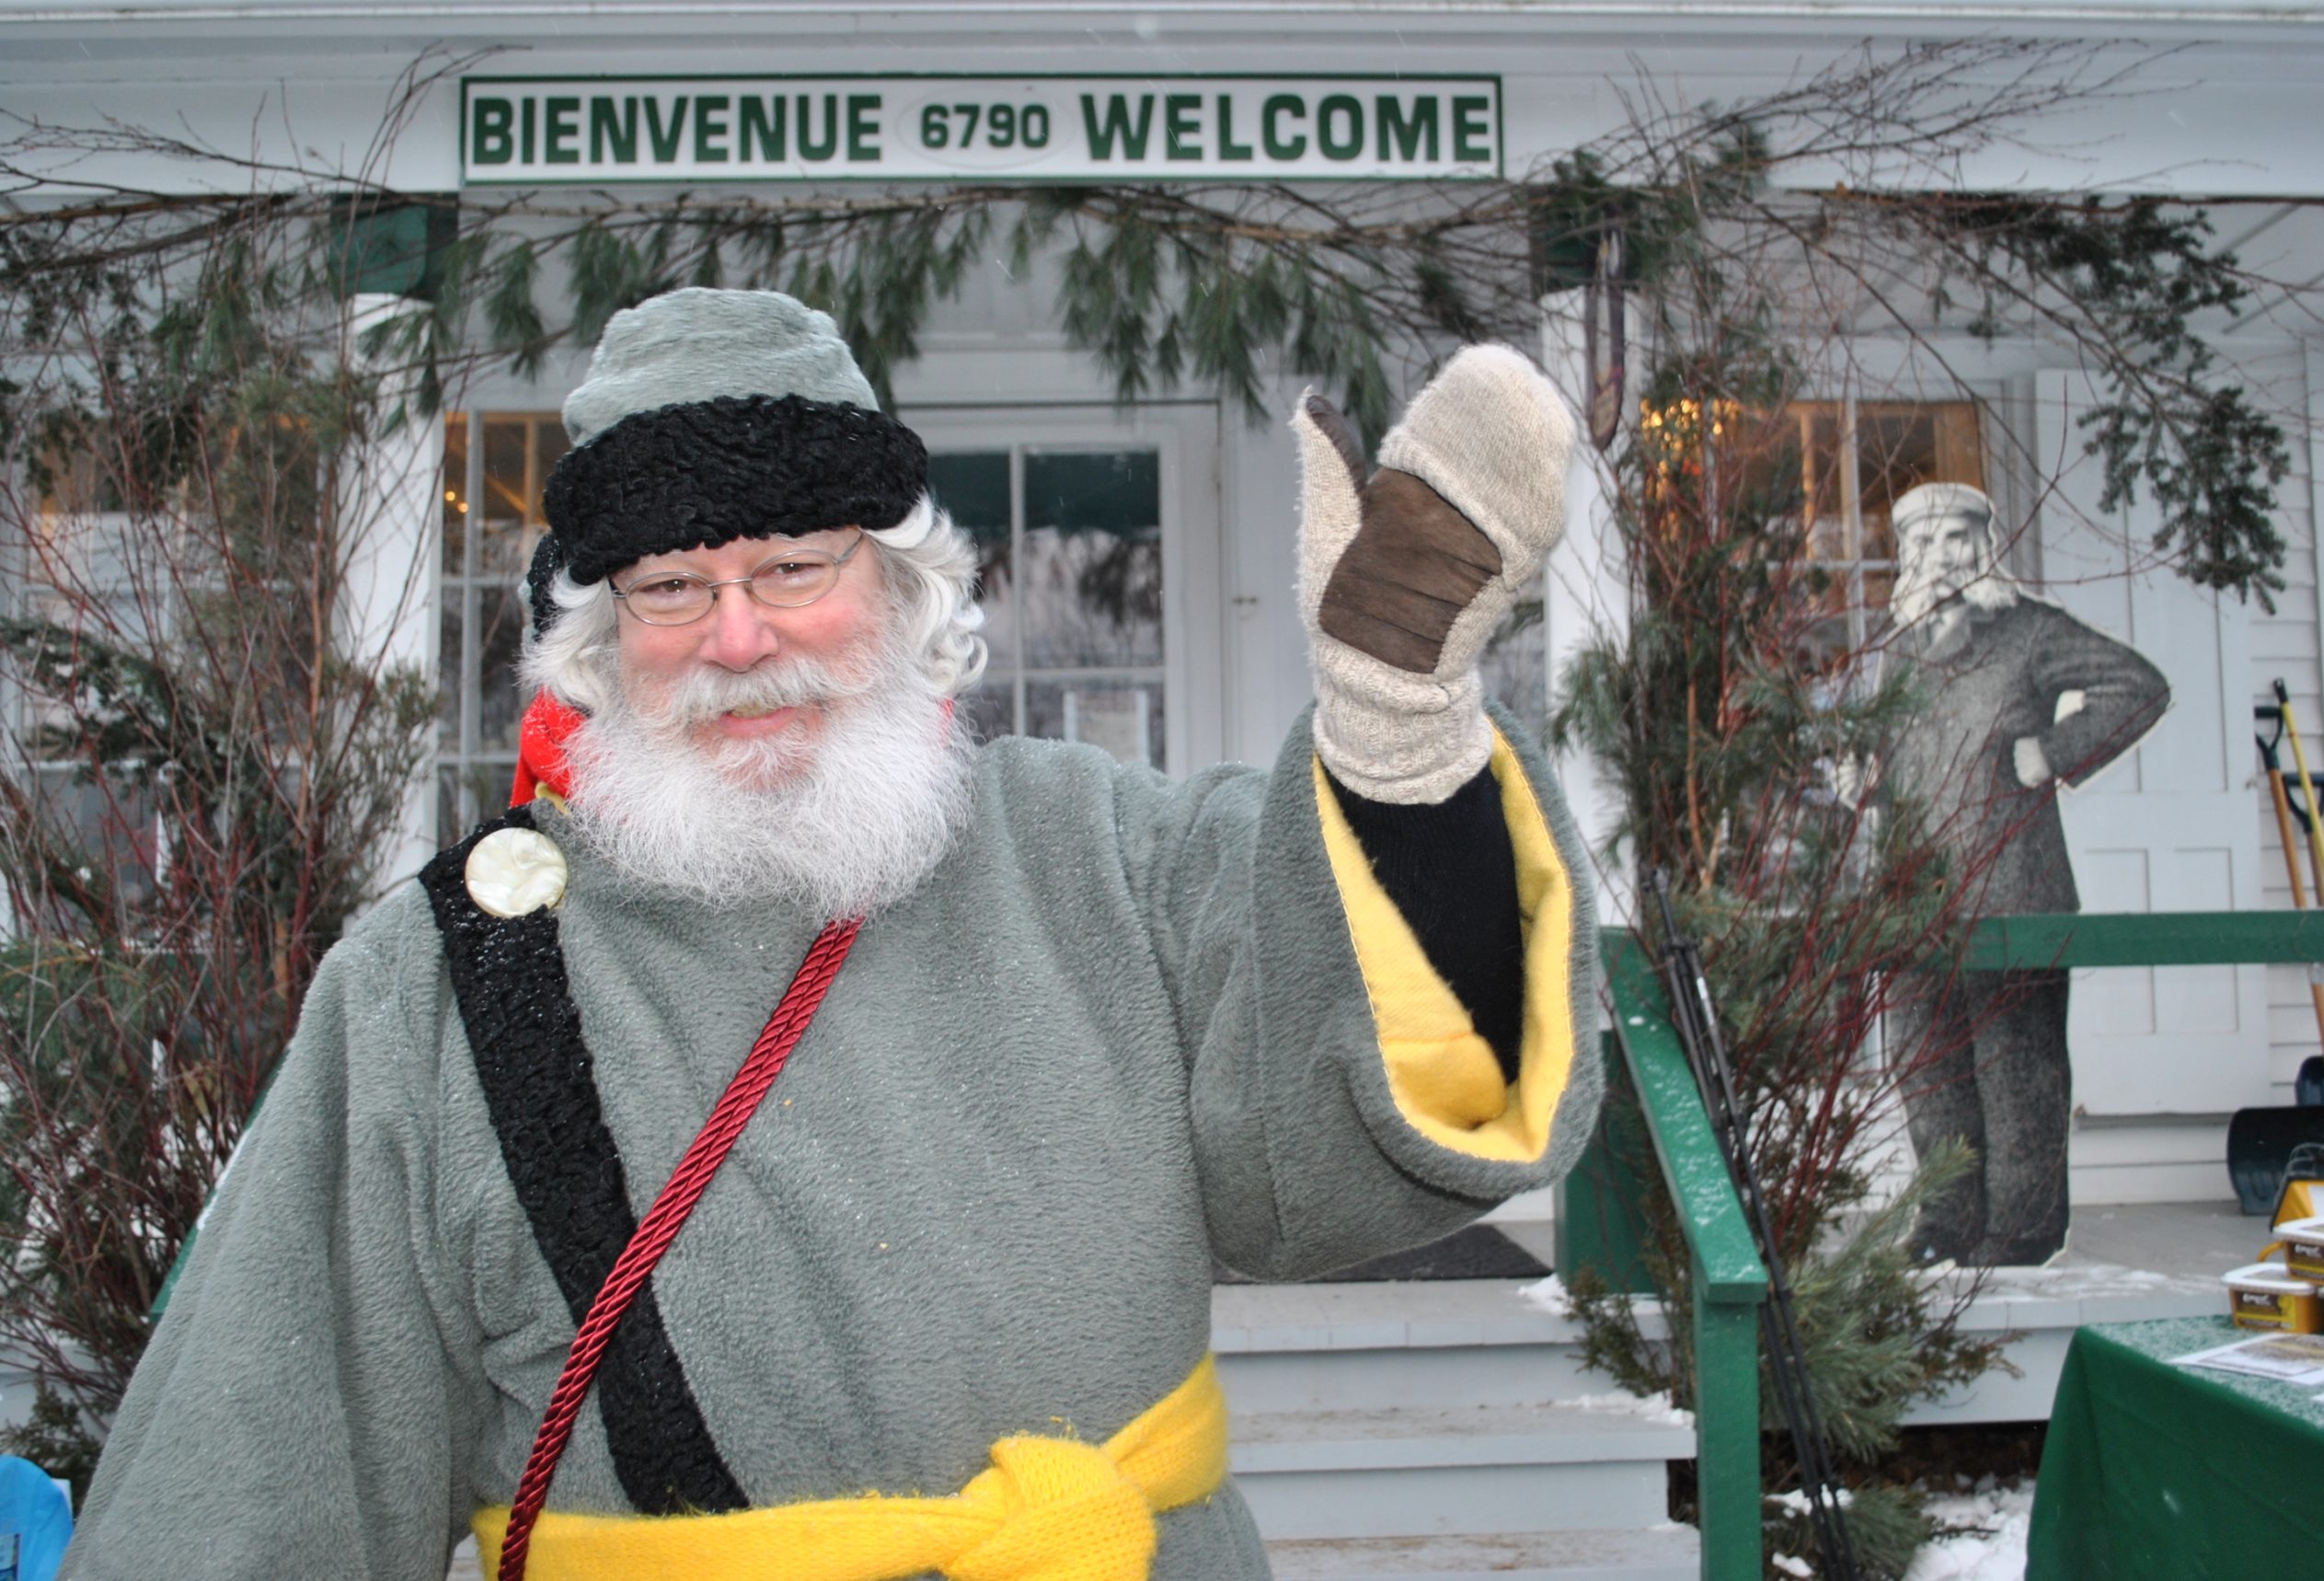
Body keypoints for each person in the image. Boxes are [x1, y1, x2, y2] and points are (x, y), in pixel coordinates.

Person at [62, 289, 1600, 1580]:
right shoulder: (437, 986)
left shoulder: (1101, 852)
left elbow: (1390, 1103)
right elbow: (262, 1461)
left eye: (796, 565)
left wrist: (1398, 741)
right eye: (672, 588)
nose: (741, 636)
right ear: (599, 646)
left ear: (906, 588)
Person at [1881, 481, 2169, 1267]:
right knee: (1927, 1064)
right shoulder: (1896, 648)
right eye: (1927, 542)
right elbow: (1892, 760)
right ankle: (1946, 1221)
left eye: (1959, 539)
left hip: (2015, 886)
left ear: (1985, 545)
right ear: (1904, 555)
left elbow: (2137, 685)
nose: (1943, 557)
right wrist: (1858, 779)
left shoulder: (2029, 632)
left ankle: (2022, 1227)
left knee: (2017, 1066)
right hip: (1915, 898)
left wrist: (2054, 751)